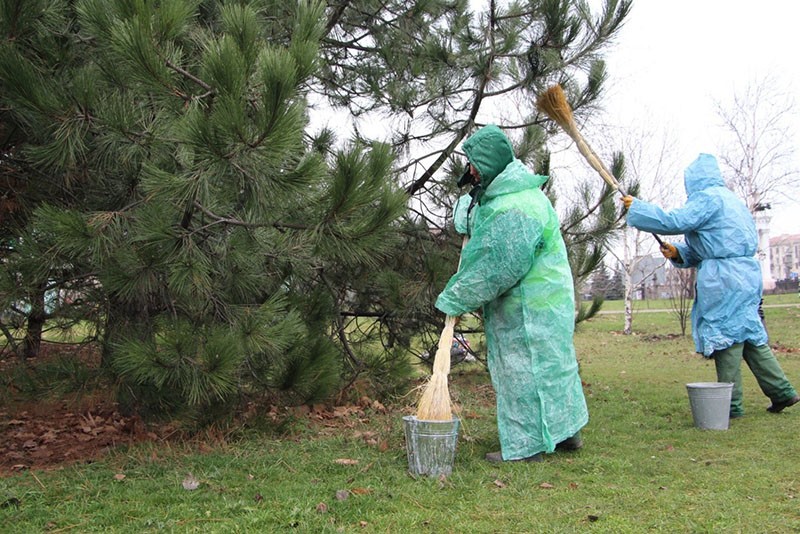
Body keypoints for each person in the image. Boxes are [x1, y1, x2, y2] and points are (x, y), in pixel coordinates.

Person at [435, 124, 588, 462]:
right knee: (553, 366)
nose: (469, 171)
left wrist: (455, 296)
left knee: (522, 370)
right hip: (550, 301)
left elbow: (496, 266)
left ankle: (528, 444)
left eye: (474, 163)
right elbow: (483, 220)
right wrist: (467, 212)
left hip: (526, 309)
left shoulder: (514, 208)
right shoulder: (514, 195)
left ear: (488, 164)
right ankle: (566, 432)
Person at [621, 153, 799, 418]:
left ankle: (729, 405)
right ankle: (782, 392)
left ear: (693, 181)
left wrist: (637, 208)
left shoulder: (708, 198)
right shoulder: (732, 202)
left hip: (725, 279)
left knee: (725, 336)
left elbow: (673, 222)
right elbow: (715, 247)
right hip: (745, 275)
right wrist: (678, 252)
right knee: (748, 335)